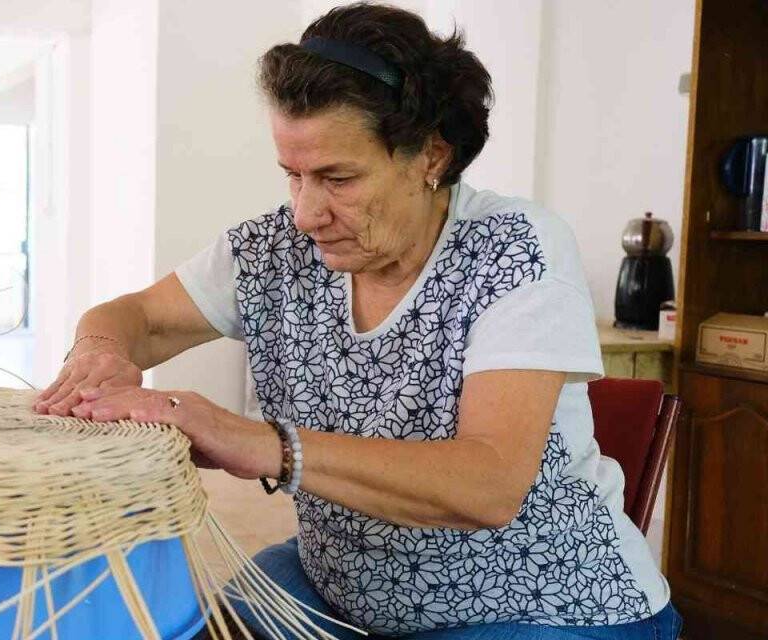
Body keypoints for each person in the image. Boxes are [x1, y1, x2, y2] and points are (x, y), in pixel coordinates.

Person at [34, 4, 679, 639]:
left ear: (430, 156)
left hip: (542, 602)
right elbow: (135, 317)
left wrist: (254, 440)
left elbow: (488, 486)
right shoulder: (277, 248)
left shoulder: (515, 248)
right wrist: (101, 349)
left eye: (337, 178)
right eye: (293, 176)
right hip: (340, 585)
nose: (308, 212)